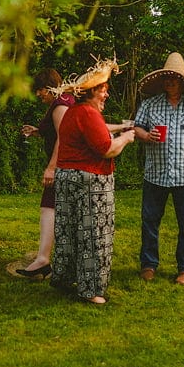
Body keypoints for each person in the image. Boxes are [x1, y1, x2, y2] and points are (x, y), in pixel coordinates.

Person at [50, 58, 136, 304]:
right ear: (92, 92)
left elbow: (97, 128)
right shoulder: (87, 112)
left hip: (68, 178)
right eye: (103, 89)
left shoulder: (75, 112)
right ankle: (92, 291)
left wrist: (119, 126)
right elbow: (106, 149)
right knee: (93, 235)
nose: (106, 94)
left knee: (69, 232)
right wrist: (127, 137)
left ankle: (64, 278)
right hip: (90, 183)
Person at [133, 52, 184, 285]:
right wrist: (146, 136)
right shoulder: (150, 104)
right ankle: (149, 264)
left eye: (174, 77)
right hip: (155, 174)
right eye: (166, 78)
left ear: (183, 80)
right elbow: (136, 129)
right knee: (150, 221)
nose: (170, 81)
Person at [16, 69, 74, 279]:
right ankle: (45, 258)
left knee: (48, 208)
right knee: (50, 207)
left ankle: (43, 259)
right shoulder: (64, 100)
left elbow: (63, 137)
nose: (38, 94)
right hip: (67, 165)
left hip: (63, 165)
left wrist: (51, 168)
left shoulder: (60, 105)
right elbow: (57, 131)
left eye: (40, 90)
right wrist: (38, 131)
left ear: (49, 87)